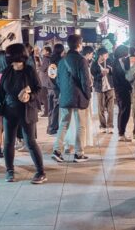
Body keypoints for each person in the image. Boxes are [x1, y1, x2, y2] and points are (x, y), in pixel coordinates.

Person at [0, 43, 47, 184]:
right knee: (8, 141)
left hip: (27, 110)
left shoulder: (29, 70)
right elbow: (0, 92)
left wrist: (31, 96)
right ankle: (9, 170)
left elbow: (39, 89)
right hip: (9, 111)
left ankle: (41, 172)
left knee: (30, 141)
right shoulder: (7, 71)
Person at [52, 34, 92, 163]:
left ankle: (57, 150)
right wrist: (88, 95)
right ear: (79, 45)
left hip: (65, 96)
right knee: (81, 125)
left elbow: (57, 80)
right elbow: (85, 80)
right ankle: (79, 153)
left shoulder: (62, 60)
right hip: (79, 96)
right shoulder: (81, 60)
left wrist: (63, 92)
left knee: (63, 124)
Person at [111, 45, 133, 140]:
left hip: (125, 89)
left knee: (124, 111)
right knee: (123, 111)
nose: (127, 54)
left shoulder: (124, 61)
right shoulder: (115, 63)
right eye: (126, 52)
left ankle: (122, 132)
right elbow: (121, 78)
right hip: (121, 90)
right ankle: (121, 133)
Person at [91, 47, 115, 133]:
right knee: (100, 108)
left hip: (110, 87)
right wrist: (101, 74)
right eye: (106, 54)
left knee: (110, 108)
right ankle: (102, 126)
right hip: (99, 88)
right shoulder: (94, 64)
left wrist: (110, 70)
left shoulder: (109, 61)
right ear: (100, 55)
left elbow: (114, 71)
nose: (107, 55)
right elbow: (94, 76)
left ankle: (110, 126)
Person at [46, 43, 64, 135]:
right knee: (56, 108)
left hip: (49, 87)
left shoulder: (50, 60)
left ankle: (49, 127)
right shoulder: (60, 61)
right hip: (56, 88)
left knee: (50, 108)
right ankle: (53, 128)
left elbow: (50, 74)